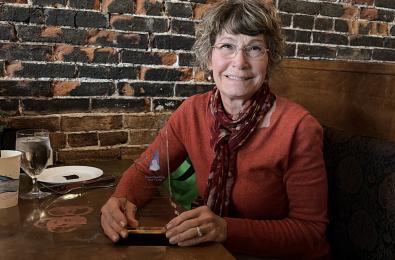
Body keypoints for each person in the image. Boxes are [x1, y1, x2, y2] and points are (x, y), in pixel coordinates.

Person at [100, 0, 330, 258]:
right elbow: (151, 170)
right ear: (209, 56)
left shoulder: (299, 128)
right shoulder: (191, 112)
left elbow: (309, 232)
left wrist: (225, 229)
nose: (240, 62)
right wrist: (122, 198)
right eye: (227, 46)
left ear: (269, 60)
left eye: (254, 48)